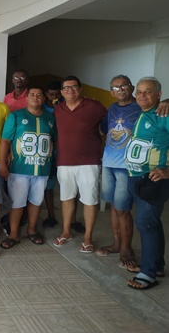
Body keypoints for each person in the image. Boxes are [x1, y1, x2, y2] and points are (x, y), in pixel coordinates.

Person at [53, 76, 106, 253]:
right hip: (64, 162)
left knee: (90, 199)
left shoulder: (95, 107)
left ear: (80, 89)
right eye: (66, 88)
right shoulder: (58, 109)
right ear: (62, 92)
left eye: (74, 87)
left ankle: (87, 237)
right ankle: (66, 231)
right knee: (66, 197)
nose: (70, 90)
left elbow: (109, 127)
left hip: (89, 162)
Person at [125, 77, 169, 290]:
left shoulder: (164, 115)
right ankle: (157, 265)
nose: (142, 95)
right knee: (152, 223)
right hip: (136, 177)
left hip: (152, 179)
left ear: (159, 94)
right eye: (139, 92)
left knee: (146, 223)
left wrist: (168, 171)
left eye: (148, 91)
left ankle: (148, 273)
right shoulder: (144, 113)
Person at [0, 87, 56, 249]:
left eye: (39, 95)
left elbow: (53, 141)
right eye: (32, 95)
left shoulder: (50, 118)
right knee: (17, 202)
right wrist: (2, 163)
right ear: (26, 99)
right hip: (20, 168)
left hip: (42, 169)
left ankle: (31, 230)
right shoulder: (16, 116)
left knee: (36, 201)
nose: (35, 98)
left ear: (43, 98)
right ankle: (13, 234)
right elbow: (5, 140)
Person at [95, 75, 139, 267]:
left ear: (132, 87)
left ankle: (126, 249)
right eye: (115, 87)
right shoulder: (112, 108)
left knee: (123, 208)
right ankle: (116, 244)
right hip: (109, 163)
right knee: (113, 205)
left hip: (127, 167)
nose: (119, 89)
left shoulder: (141, 108)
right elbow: (103, 130)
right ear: (111, 91)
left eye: (123, 86)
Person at [41, 81, 61, 228]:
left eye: (56, 94)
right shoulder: (41, 108)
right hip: (44, 152)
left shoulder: (63, 107)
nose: (53, 97)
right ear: (46, 94)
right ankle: (50, 215)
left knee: (53, 184)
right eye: (51, 94)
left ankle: (55, 215)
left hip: (60, 151)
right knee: (45, 185)